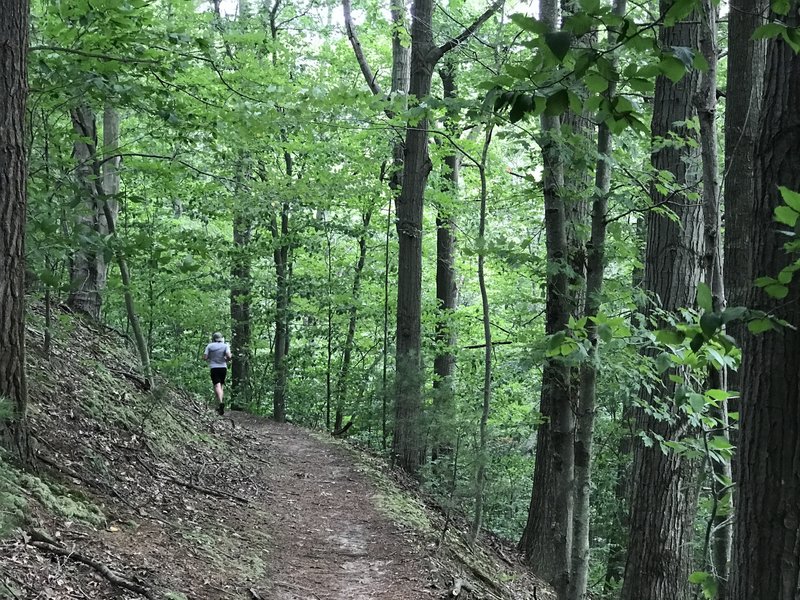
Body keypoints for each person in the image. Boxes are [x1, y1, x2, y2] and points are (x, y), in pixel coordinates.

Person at [203, 332, 232, 415]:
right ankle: (219, 405)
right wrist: (226, 359)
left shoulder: (210, 346)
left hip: (214, 367)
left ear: (213, 338)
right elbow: (229, 357)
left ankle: (220, 402)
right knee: (221, 385)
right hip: (223, 368)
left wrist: (211, 357)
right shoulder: (225, 345)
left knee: (216, 385)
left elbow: (205, 357)